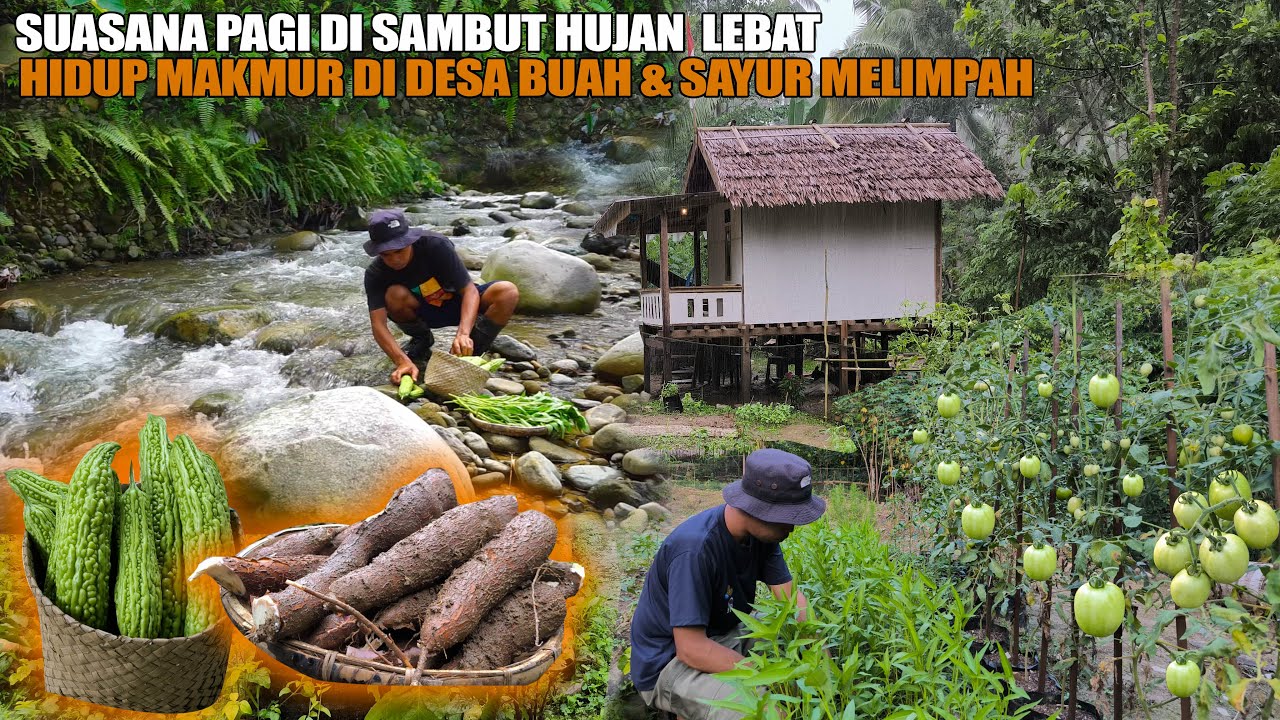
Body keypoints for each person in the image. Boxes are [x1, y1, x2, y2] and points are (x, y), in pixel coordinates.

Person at [630, 448, 825, 720]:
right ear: (757, 509)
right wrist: (761, 675)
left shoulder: (763, 536)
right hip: (670, 661)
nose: (791, 528)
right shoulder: (695, 550)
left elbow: (790, 600)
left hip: (724, 633)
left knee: (791, 640)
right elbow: (691, 649)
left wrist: (821, 654)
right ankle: (681, 705)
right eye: (786, 518)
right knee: (766, 712)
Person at [362, 209, 519, 383]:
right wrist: (401, 361)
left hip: (460, 304)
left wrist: (463, 334)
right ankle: (422, 340)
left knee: (507, 292)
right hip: (424, 313)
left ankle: (470, 352)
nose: (395, 259)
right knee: (394, 295)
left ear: (410, 241)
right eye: (386, 254)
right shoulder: (375, 273)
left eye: (400, 250)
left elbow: (469, 291)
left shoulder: (435, 245)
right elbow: (378, 325)